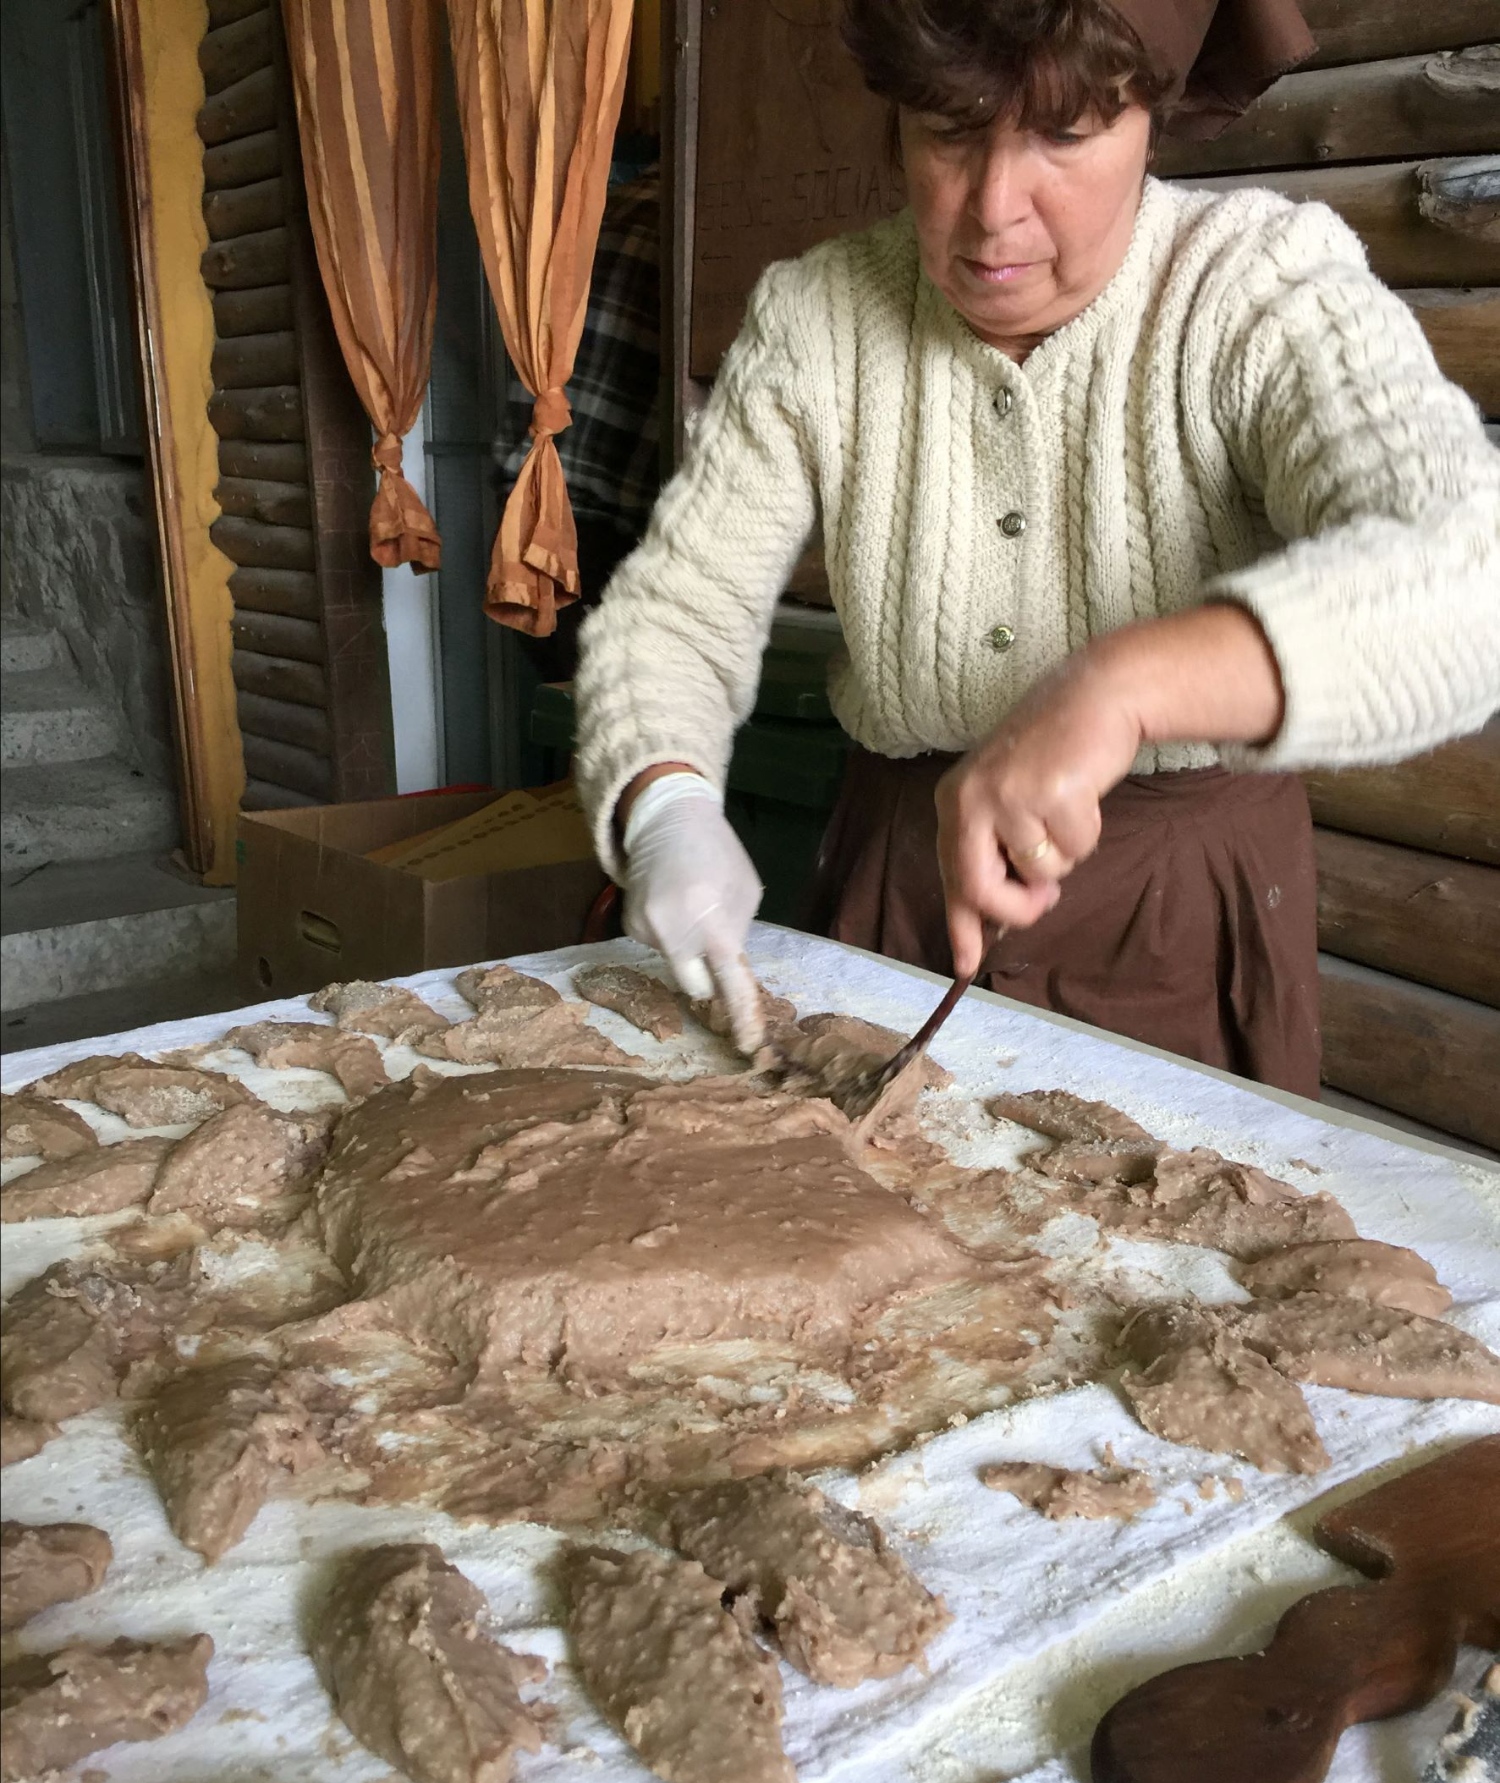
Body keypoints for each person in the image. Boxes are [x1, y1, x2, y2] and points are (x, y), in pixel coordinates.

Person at [573, 0, 1500, 1088]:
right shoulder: (816, 318)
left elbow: (1468, 573)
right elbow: (682, 607)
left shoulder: (1258, 288)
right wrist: (667, 797)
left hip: (1179, 913)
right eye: (950, 129)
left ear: (1151, 116)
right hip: (900, 890)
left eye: (1064, 134)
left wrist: (1123, 688)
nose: (993, 210)